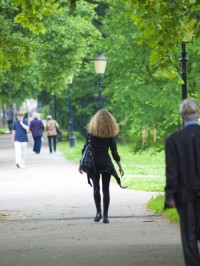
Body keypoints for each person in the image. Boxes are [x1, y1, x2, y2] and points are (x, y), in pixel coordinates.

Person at [165, 99, 200, 266]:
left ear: (182, 116)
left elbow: (172, 171)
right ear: (197, 113)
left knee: (189, 235)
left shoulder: (174, 140)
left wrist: (170, 194)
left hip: (184, 193)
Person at [79, 109, 125, 224]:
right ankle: (105, 216)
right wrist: (119, 166)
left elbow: (84, 149)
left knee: (96, 188)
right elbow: (114, 152)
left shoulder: (90, 134)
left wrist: (81, 164)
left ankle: (98, 213)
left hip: (94, 164)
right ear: (110, 122)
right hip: (106, 164)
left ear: (95, 121)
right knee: (106, 190)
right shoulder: (110, 134)